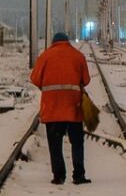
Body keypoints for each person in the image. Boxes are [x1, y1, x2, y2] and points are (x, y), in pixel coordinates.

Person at [30, 31, 93, 185]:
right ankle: (79, 175)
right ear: (67, 41)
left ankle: (59, 176)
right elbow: (86, 80)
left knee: (55, 143)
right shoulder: (78, 56)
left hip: (52, 107)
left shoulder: (45, 56)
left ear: (54, 42)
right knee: (77, 142)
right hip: (73, 107)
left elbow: (35, 79)